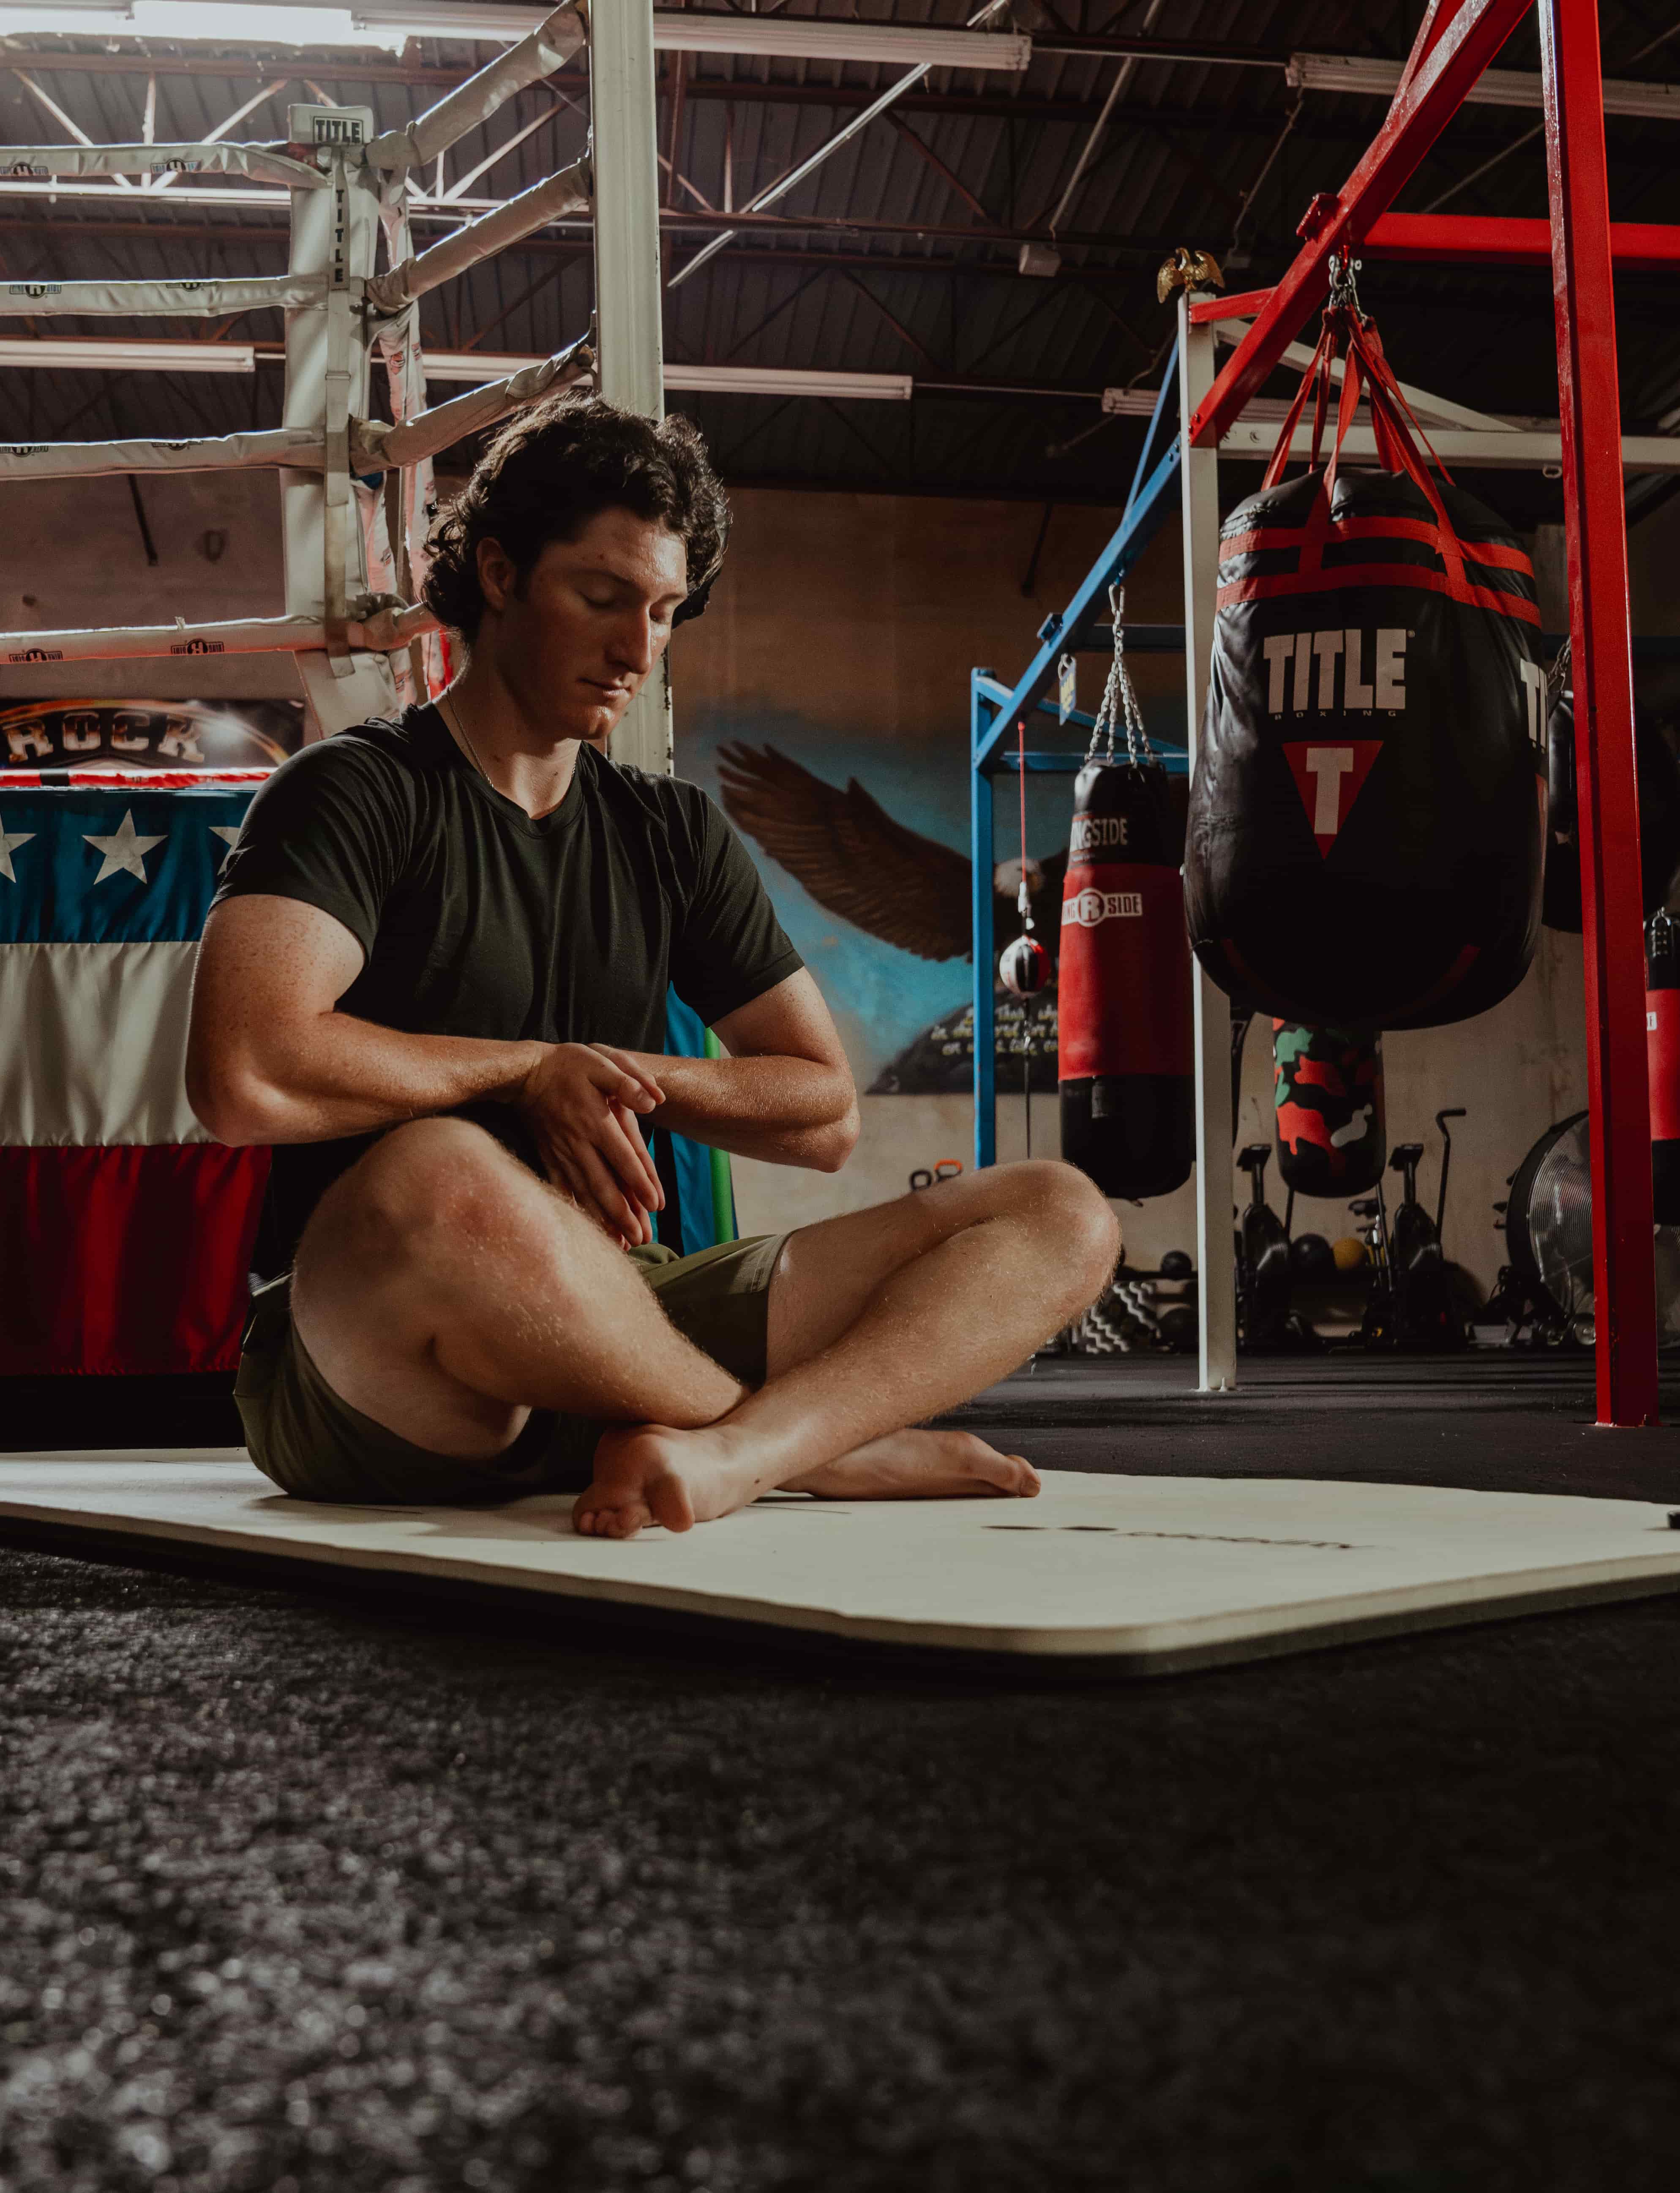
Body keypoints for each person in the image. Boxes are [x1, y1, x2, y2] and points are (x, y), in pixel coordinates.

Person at [185, 390, 1117, 1539]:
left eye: (667, 611)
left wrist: (610, 1075)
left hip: (625, 1317)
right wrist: (527, 1071)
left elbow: (819, 1111)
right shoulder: (358, 791)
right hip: (382, 1365)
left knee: (1059, 1209)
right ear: (498, 572)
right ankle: (818, 1456)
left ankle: (732, 1449)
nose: (638, 649)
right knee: (439, 1168)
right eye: (602, 597)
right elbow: (244, 1070)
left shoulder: (668, 831)